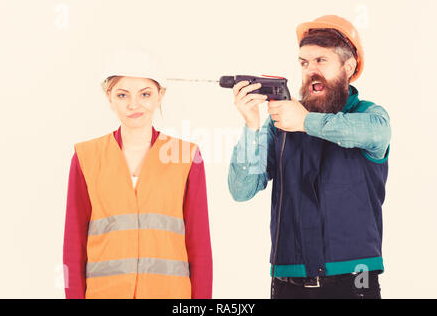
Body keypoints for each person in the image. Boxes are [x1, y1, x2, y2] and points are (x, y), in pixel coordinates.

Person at [228, 15, 391, 299]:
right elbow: (241, 190)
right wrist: (252, 126)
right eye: (304, 63)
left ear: (348, 66)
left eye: (321, 61)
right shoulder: (281, 123)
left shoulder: (369, 116)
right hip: (288, 283)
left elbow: (376, 134)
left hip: (356, 280)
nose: (310, 70)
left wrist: (305, 122)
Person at [63, 49, 213, 299]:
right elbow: (73, 246)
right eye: (123, 94)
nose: (134, 104)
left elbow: (200, 249)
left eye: (145, 94)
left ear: (160, 96)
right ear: (109, 97)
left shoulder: (186, 157)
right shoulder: (86, 157)